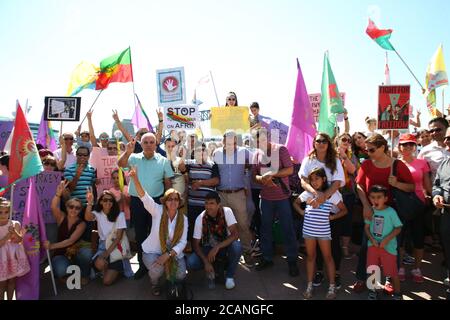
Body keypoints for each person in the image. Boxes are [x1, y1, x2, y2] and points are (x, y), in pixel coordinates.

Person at [352, 134, 414, 294]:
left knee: (391, 249)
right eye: (367, 150)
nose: (368, 153)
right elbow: (359, 185)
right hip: (372, 213)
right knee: (367, 248)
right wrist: (366, 205)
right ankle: (362, 278)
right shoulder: (366, 164)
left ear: (382, 147)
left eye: (371, 149)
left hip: (393, 214)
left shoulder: (398, 165)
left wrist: (397, 183)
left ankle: (389, 279)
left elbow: (411, 187)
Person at [118, 134, 174, 280]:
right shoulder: (133, 157)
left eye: (151, 142)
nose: (149, 144)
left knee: (156, 233)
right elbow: (120, 164)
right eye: (145, 142)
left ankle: (159, 264)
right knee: (140, 233)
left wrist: (166, 200)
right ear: (141, 144)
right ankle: (143, 266)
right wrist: (127, 151)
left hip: (157, 201)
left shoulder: (163, 161)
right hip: (137, 202)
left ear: (156, 144)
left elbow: (168, 182)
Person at [130, 166, 187, 296]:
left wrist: (168, 255)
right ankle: (155, 283)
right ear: (165, 202)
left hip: (172, 253)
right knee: (157, 270)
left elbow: (183, 242)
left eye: (176, 199)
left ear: (179, 202)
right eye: (170, 199)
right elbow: (144, 196)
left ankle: (170, 282)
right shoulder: (157, 210)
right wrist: (135, 178)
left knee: (181, 275)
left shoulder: (183, 219)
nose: (173, 202)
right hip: (153, 251)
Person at [299, 132, 345, 286]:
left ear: (329, 143)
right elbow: (303, 181)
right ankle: (318, 271)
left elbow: (338, 182)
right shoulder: (308, 160)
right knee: (315, 243)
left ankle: (336, 273)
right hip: (314, 203)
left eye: (324, 141)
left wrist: (324, 196)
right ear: (314, 143)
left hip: (331, 204)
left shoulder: (335, 160)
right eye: (318, 140)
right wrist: (315, 194)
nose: (321, 143)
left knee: (334, 243)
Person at [253, 128, 299, 276]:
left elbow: (290, 170)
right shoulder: (257, 154)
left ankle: (292, 260)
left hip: (282, 198)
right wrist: (262, 179)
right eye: (257, 140)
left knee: (288, 230)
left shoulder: (281, 150)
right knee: (265, 230)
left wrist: (272, 174)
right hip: (265, 198)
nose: (260, 142)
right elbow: (255, 176)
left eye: (262, 139)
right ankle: (267, 258)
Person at [298, 168, 347, 300]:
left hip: (324, 231)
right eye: (312, 180)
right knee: (310, 257)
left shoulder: (332, 194)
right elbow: (296, 203)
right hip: (308, 231)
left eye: (317, 179)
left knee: (328, 257)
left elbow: (344, 210)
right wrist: (301, 212)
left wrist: (332, 217)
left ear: (324, 179)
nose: (314, 182)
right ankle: (309, 286)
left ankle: (331, 287)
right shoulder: (308, 193)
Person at [213, 131, 254, 266]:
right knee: (221, 225)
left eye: (234, 142)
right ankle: (223, 254)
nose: (232, 145)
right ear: (223, 142)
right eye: (228, 143)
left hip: (238, 194)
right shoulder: (216, 153)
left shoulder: (244, 152)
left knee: (242, 224)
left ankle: (247, 252)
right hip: (221, 195)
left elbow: (257, 161)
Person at [186, 191, 242, 290]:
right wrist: (205, 262)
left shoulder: (226, 211)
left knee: (237, 246)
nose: (208, 206)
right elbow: (196, 244)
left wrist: (217, 247)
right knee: (191, 262)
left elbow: (235, 234)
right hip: (207, 247)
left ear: (218, 204)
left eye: (211, 203)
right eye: (206, 203)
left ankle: (229, 276)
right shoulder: (200, 218)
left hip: (224, 246)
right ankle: (211, 266)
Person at [397, 133, 431, 283]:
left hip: (418, 204)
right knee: (401, 238)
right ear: (399, 147)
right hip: (401, 205)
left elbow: (427, 184)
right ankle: (400, 268)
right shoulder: (395, 163)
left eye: (411, 144)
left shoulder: (422, 162)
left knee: (418, 238)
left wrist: (433, 195)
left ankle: (417, 268)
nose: (408, 147)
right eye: (405, 144)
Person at [44, 181, 92, 285]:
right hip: (61, 254)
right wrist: (58, 194)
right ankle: (68, 276)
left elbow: (70, 241)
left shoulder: (81, 224)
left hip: (75, 254)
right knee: (61, 269)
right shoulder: (61, 218)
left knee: (86, 253)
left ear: (80, 210)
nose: (74, 209)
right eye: (71, 207)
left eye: (77, 208)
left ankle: (84, 274)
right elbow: (53, 207)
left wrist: (51, 246)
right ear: (66, 207)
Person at [85, 189, 133, 285]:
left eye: (111, 200)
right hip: (103, 245)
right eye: (105, 200)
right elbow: (87, 217)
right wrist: (89, 203)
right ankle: (108, 269)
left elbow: (119, 237)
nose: (108, 202)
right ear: (101, 201)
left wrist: (107, 253)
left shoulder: (120, 215)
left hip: (116, 246)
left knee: (106, 282)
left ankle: (117, 268)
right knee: (100, 263)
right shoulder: (98, 214)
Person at [365, 185, 403, 300]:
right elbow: (366, 228)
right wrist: (372, 239)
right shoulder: (370, 211)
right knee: (373, 270)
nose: (375, 200)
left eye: (379, 197)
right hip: (373, 246)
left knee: (392, 272)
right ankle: (373, 291)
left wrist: (386, 240)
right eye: (372, 197)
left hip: (388, 248)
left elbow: (398, 228)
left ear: (386, 198)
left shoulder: (391, 212)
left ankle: (397, 293)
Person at [179, 144, 220, 243]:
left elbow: (216, 181)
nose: (201, 154)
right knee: (193, 226)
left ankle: (207, 246)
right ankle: (193, 247)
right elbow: (181, 168)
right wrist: (183, 156)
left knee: (208, 226)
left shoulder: (213, 164)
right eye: (198, 152)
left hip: (207, 204)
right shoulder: (190, 163)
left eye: (203, 152)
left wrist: (200, 183)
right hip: (192, 203)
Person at [0, 199, 30, 300]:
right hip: (1, 258)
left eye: (6, 212)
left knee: (12, 281)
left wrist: (14, 232)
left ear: (10, 212)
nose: (3, 214)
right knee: (2, 282)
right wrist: (8, 235)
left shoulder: (15, 223)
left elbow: (19, 240)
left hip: (12, 256)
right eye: (0, 212)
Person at [335, 133, 358, 260]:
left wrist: (344, 157)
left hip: (348, 192)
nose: (346, 142)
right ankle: (334, 247)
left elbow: (353, 170)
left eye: (349, 140)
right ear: (337, 140)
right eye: (344, 139)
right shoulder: (331, 154)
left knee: (347, 221)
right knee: (334, 219)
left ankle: (345, 248)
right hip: (333, 192)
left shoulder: (351, 155)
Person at [433, 153, 450, 289]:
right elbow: (437, 185)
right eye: (446, 139)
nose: (446, 142)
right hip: (447, 212)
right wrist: (437, 195)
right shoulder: (444, 163)